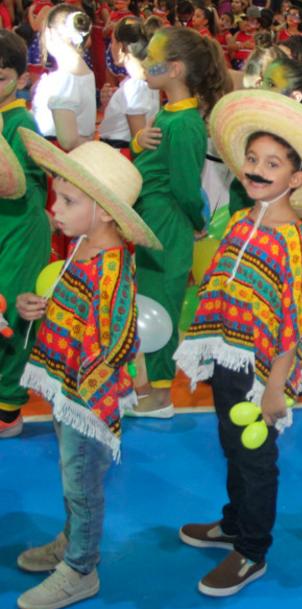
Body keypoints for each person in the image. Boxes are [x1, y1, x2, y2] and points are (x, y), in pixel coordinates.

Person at [174, 89, 302, 596]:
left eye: (272, 163)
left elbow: (295, 321)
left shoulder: (291, 237)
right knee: (232, 445)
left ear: (296, 178)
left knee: (255, 457)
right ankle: (233, 523)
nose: (256, 169)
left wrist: (276, 389)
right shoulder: (242, 219)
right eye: (252, 159)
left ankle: (252, 551)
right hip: (231, 357)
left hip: (263, 372)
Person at [14, 134, 161, 609]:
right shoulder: (83, 251)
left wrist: (100, 378)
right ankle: (71, 537)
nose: (55, 207)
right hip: (70, 394)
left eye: (68, 200)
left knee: (81, 480)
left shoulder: (113, 269)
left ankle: (81, 568)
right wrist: (40, 308)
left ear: (101, 211)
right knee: (72, 475)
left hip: (88, 402)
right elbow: (71, 305)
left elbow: (119, 340)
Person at [127, 27, 232, 418]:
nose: (144, 61)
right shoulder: (170, 114)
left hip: (169, 223)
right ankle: (147, 385)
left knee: (162, 305)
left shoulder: (186, 123)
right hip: (154, 218)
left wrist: (197, 222)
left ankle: (159, 394)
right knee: (149, 298)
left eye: (151, 56)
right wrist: (139, 144)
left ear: (173, 68)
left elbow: (188, 187)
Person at [0, 31, 50, 439]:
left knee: (13, 314)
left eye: (0, 77)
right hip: (5, 228)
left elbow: (11, 186)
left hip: (20, 233)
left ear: (20, 79)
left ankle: (8, 408)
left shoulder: (20, 122)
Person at [32, 4, 96, 152]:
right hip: (79, 155)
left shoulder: (62, 81)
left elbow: (67, 141)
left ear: (50, 34)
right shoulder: (87, 73)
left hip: (58, 160)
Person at [97, 17, 161, 152]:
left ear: (121, 48)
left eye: (112, 42)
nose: (111, 47)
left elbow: (139, 140)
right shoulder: (146, 81)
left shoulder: (135, 87)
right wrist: (110, 104)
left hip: (120, 157)